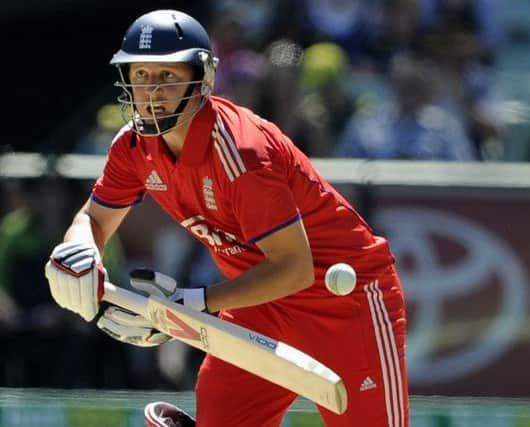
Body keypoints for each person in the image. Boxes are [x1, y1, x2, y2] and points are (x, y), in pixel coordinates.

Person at [44, 9, 408, 427]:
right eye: (140, 75)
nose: (151, 91)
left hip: (347, 303)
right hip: (257, 305)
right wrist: (79, 252)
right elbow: (93, 218)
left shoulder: (243, 152)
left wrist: (191, 304)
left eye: (166, 76)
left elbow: (294, 268)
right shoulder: (131, 147)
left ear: (204, 78)